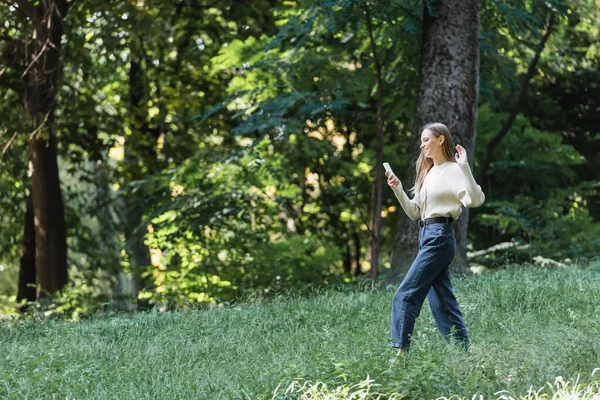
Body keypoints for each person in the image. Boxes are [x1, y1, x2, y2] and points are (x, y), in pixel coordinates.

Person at [386, 122, 485, 355]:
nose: (422, 145)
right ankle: (464, 354)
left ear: (441, 140)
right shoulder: (428, 173)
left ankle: (400, 356)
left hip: (440, 236)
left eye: (426, 140)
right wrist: (398, 189)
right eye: (421, 141)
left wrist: (465, 168)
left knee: (406, 294)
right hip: (426, 235)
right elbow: (415, 212)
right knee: (442, 302)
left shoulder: (454, 170)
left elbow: (475, 200)